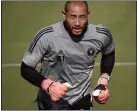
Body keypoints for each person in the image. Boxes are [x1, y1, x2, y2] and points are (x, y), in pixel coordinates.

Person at [21, 1, 115, 110]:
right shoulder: (46, 36)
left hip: (82, 101)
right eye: (72, 17)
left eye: (82, 17)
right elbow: (26, 68)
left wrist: (103, 81)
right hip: (51, 103)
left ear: (89, 14)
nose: (77, 23)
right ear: (64, 14)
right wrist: (48, 86)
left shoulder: (101, 35)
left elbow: (109, 52)